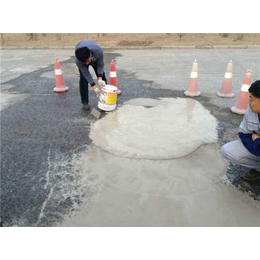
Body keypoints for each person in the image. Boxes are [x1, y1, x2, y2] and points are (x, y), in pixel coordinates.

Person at [221, 80, 260, 181]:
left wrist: (257, 140)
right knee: (228, 150)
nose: (248, 102)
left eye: (252, 99)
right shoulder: (251, 111)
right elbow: (244, 134)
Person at [75, 40, 107, 110]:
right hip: (82, 52)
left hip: (95, 58)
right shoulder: (78, 61)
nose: (87, 64)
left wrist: (100, 78)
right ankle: (85, 102)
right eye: (84, 63)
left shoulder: (98, 51)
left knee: (103, 77)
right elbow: (86, 73)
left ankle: (106, 97)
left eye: (87, 61)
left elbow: (100, 65)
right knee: (83, 79)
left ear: (90, 55)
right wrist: (94, 87)